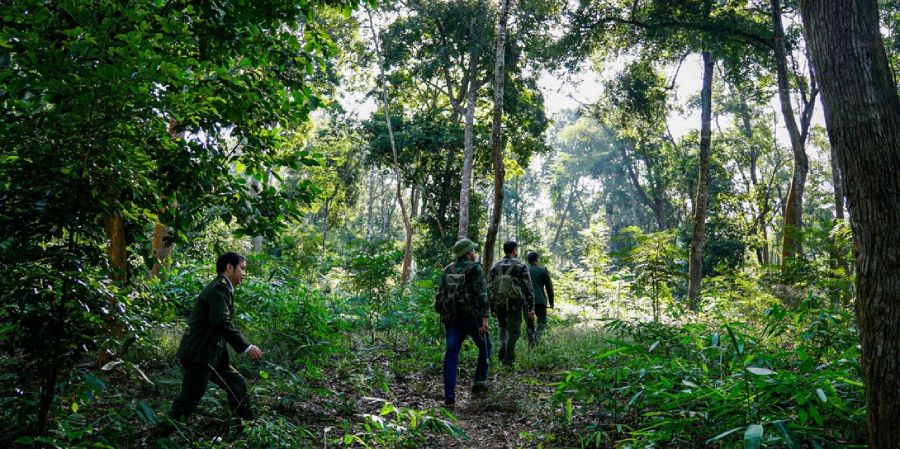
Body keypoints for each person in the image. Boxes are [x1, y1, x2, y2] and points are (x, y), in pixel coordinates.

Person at [167, 252, 263, 426]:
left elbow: (217, 327)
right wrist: (246, 347)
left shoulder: (222, 287)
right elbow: (221, 322)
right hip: (199, 354)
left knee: (236, 384)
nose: (244, 273)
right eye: (242, 268)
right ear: (229, 267)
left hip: (211, 353)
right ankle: (160, 437)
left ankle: (247, 429)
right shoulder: (219, 288)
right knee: (189, 399)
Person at [434, 239, 491, 406]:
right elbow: (481, 294)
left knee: (451, 354)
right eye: (473, 250)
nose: (474, 252)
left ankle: (449, 396)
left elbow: (441, 293)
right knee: (485, 347)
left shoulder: (448, 269)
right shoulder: (475, 268)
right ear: (468, 252)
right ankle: (478, 384)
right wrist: (485, 319)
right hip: (471, 318)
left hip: (452, 318)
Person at [487, 241, 535, 366]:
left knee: (502, 327)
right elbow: (528, 287)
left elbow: (489, 287)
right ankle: (508, 361)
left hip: (499, 303)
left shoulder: (495, 266)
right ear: (514, 250)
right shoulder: (520, 265)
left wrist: (491, 306)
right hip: (515, 303)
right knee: (514, 331)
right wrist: (531, 307)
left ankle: (503, 346)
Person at [525, 251, 554, 345]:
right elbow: (549, 287)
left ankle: (531, 346)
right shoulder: (543, 270)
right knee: (542, 323)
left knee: (529, 325)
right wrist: (551, 302)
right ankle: (536, 338)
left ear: (528, 260)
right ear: (537, 259)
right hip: (540, 301)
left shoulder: (524, 270)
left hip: (527, 302)